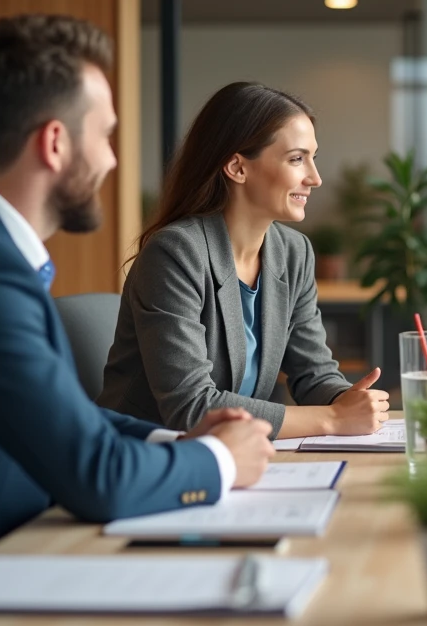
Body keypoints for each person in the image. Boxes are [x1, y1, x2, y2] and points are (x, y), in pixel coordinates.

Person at [0, 14, 274, 576]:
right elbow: (98, 476)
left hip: (15, 555)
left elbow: (67, 421)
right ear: (56, 142)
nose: (114, 159)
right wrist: (218, 461)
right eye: (106, 134)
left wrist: (181, 438)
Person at [98, 83, 387, 439]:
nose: (314, 178)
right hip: (148, 454)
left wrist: (347, 399)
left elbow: (313, 374)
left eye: (313, 158)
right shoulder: (175, 253)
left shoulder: (294, 253)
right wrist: (333, 419)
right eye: (297, 159)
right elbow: (191, 408)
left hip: (232, 453)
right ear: (237, 167)